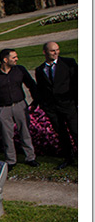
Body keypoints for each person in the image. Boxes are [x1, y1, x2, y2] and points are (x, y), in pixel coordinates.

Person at [0, 48, 39, 167]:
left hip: (20, 105)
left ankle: (30, 157)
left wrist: (35, 101)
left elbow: (31, 84)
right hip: (3, 109)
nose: (16, 59)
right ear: (5, 59)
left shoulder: (20, 70)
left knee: (25, 132)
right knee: (7, 136)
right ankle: (11, 160)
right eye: (13, 57)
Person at [34, 41, 77, 169]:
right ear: (45, 52)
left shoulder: (69, 63)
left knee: (76, 132)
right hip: (53, 108)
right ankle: (68, 158)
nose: (56, 52)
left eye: (57, 50)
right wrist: (44, 106)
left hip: (68, 105)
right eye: (53, 50)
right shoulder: (40, 70)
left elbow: (76, 83)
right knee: (62, 135)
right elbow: (41, 89)